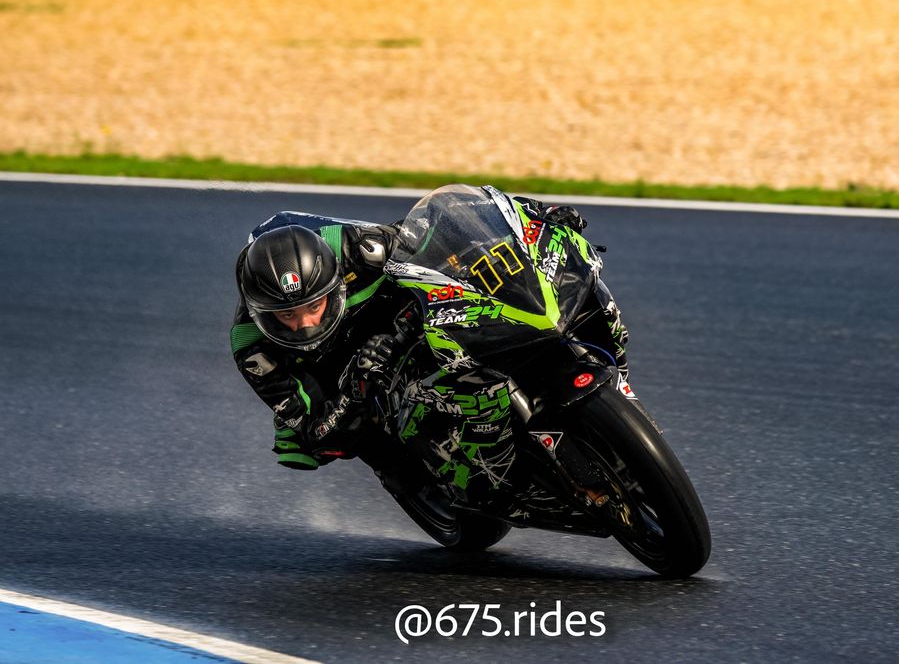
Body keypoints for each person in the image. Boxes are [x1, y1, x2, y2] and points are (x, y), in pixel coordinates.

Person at [230, 187, 627, 493]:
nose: (303, 324)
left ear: (334, 284)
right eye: (287, 316)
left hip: (400, 324)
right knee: (344, 445)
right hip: (337, 379)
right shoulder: (252, 348)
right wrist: (356, 386)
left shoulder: (358, 247)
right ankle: (408, 474)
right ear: (262, 311)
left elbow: (439, 231)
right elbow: (311, 428)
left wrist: (536, 214)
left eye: (313, 307)